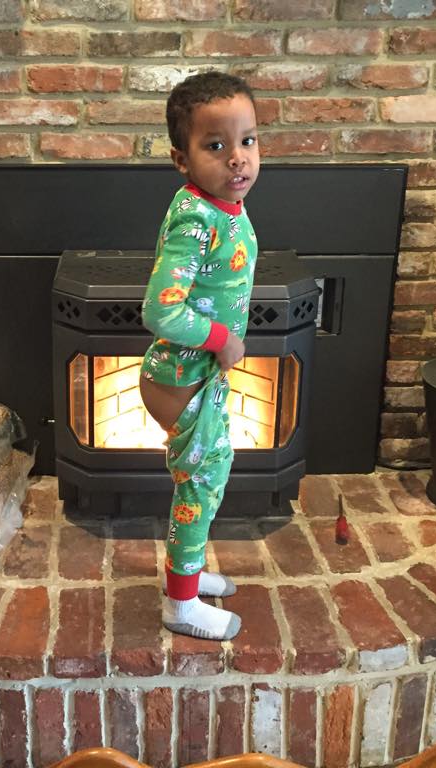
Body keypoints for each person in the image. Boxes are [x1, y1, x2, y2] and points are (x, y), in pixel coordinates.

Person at [139, 72, 260, 641]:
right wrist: (222, 339)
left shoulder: (225, 205)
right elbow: (160, 310)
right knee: (199, 484)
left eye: (248, 140)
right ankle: (181, 606)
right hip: (180, 377)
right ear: (181, 160)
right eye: (215, 145)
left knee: (210, 476)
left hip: (200, 376)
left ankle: (185, 576)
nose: (237, 157)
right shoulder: (196, 216)